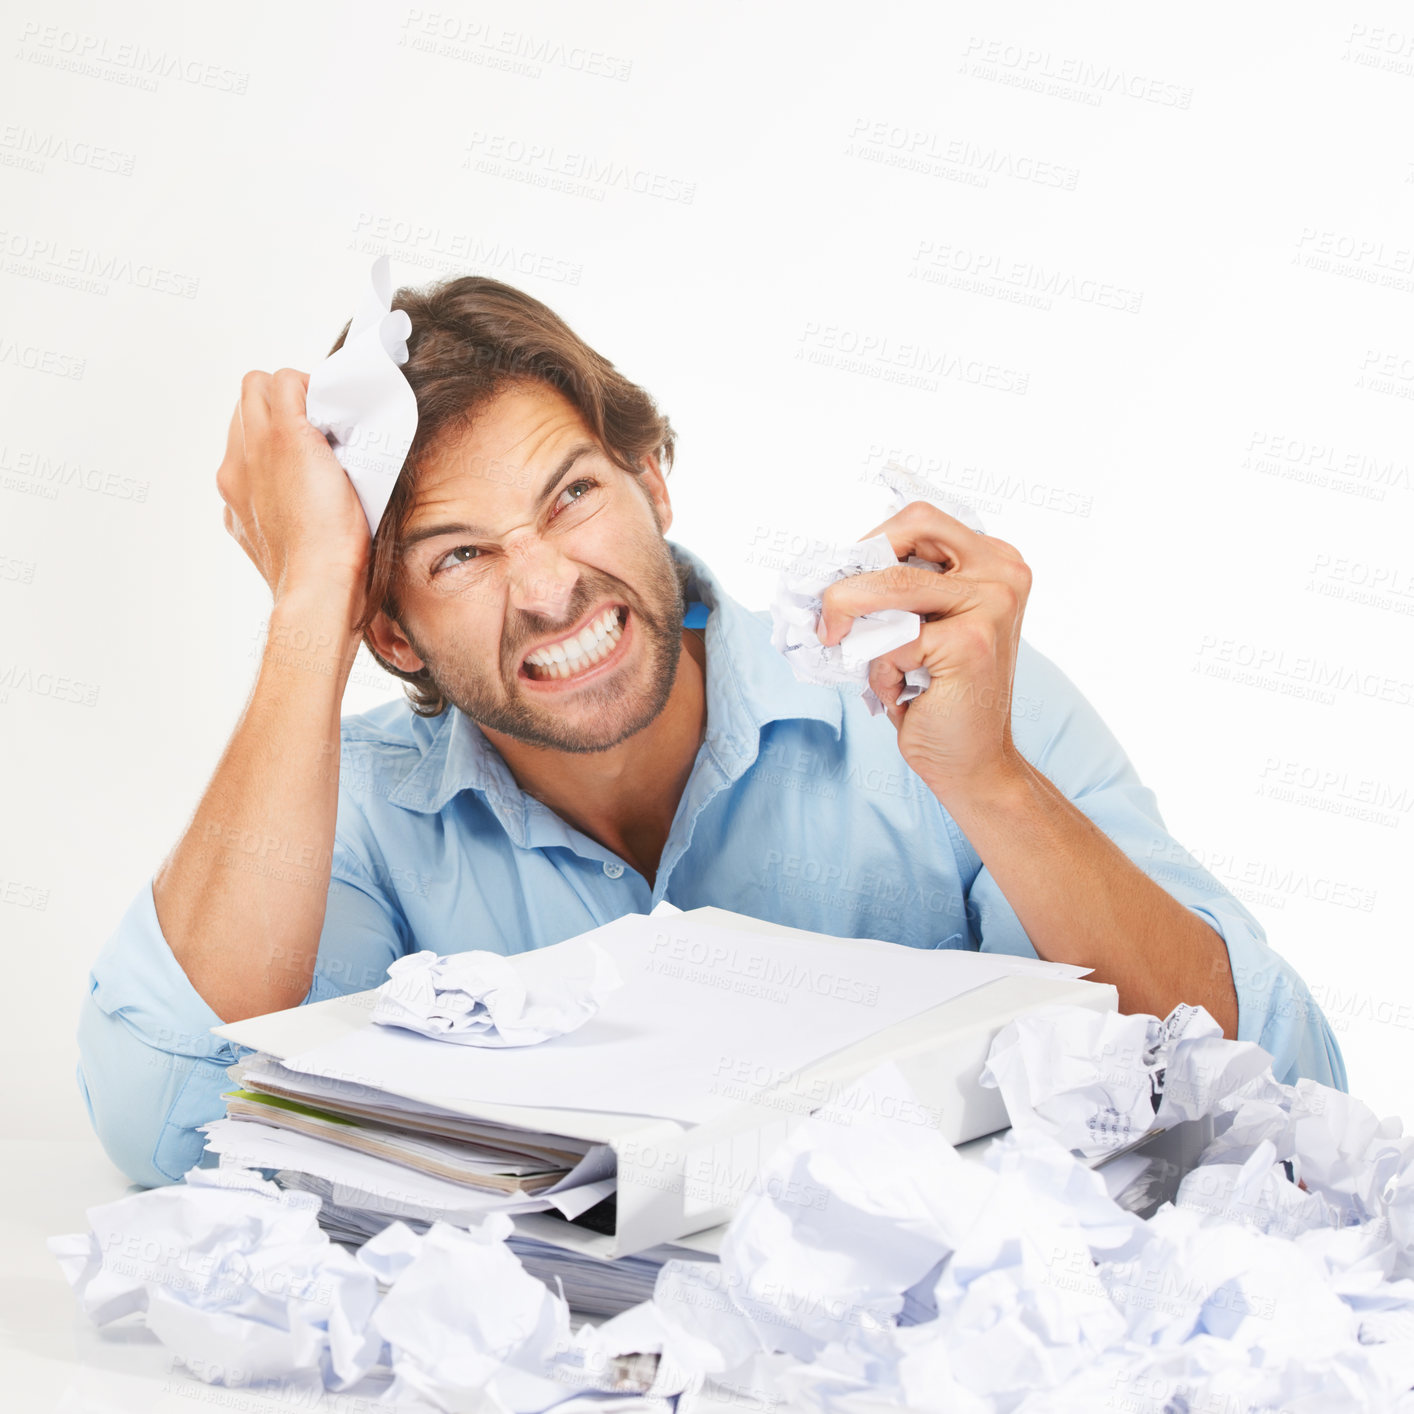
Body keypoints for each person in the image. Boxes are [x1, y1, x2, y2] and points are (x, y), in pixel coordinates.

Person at [76, 276, 1346, 1188]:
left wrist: (993, 784)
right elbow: (168, 1115)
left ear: (652, 481)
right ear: (393, 634)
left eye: (571, 495)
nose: (547, 586)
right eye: (459, 556)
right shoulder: (359, 818)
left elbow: (1276, 1084)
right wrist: (310, 594)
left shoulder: (941, 704)